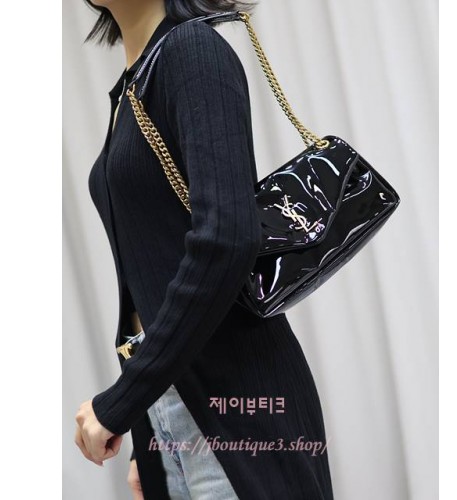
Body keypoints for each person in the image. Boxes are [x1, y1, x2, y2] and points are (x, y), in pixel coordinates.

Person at [74, 0, 335, 498]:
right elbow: (151, 272)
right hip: (170, 408)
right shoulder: (132, 87)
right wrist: (149, 431)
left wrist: (121, 402)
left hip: (237, 411)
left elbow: (226, 240)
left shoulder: (190, 52)